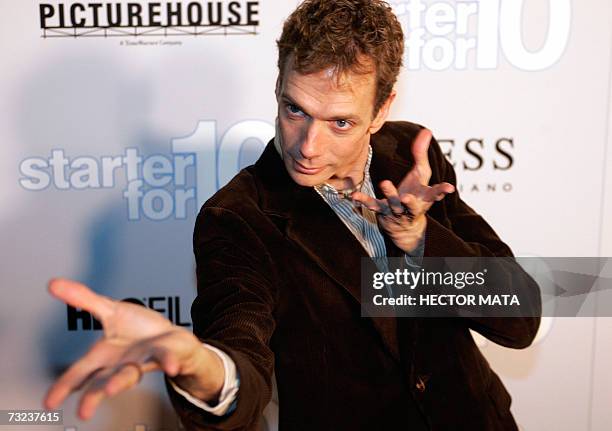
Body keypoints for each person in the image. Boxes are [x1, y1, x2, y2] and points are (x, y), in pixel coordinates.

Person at [44, 0, 541, 430]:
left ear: (382, 109)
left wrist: (421, 240)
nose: (307, 146)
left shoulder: (410, 156)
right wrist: (201, 364)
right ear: (279, 84)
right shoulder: (237, 218)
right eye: (294, 109)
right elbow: (241, 349)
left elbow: (520, 320)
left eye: (340, 122)